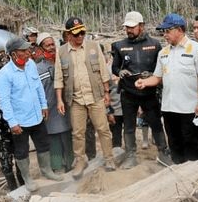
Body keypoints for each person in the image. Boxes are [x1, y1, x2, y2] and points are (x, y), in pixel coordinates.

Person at [136, 13, 198, 164]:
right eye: (163, 31)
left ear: (180, 30)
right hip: (169, 109)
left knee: (191, 145)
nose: (165, 35)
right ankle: (177, 171)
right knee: (174, 144)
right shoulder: (163, 53)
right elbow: (157, 77)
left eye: (168, 31)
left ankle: (193, 174)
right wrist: (144, 82)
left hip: (189, 109)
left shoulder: (197, 49)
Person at [0, 37, 62, 190]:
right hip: (20, 121)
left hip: (37, 115)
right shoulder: (4, 75)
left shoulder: (31, 64)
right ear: (14, 54)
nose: (28, 52)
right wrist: (12, 122)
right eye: (24, 50)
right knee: (22, 151)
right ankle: (27, 179)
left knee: (43, 144)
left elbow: (38, 86)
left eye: (28, 49)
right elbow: (4, 102)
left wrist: (43, 105)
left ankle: (47, 171)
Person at [55, 17, 117, 177]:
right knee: (77, 132)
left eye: (82, 32)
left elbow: (103, 71)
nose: (80, 36)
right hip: (75, 99)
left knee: (103, 129)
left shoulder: (93, 47)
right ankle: (80, 161)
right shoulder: (61, 52)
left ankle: (109, 158)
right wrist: (60, 99)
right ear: (68, 35)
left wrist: (107, 92)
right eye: (76, 34)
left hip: (95, 96)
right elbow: (59, 77)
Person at [111, 11, 170, 168]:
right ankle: (131, 155)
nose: (129, 30)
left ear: (141, 26)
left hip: (149, 92)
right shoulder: (119, 45)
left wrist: (151, 75)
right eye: (127, 27)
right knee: (129, 126)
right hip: (128, 92)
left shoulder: (155, 45)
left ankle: (163, 153)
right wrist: (120, 72)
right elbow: (114, 67)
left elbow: (161, 67)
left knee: (156, 123)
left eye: (132, 27)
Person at [35, 33, 73, 173]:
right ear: (40, 48)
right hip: (49, 108)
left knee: (68, 135)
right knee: (53, 137)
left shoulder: (63, 61)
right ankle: (57, 166)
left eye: (53, 44)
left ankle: (71, 163)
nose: (51, 47)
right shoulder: (37, 68)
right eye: (48, 45)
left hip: (65, 105)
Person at [0, 66, 23, 191]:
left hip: (18, 132)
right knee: (6, 164)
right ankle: (13, 189)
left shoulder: (16, 89)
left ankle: (24, 186)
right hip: (3, 134)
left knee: (21, 161)